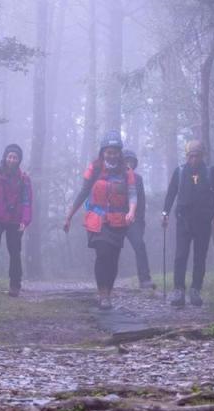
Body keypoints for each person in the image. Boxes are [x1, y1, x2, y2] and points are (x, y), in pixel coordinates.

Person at [63, 130, 138, 310]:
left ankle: (108, 292)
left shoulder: (126, 172)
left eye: (115, 152)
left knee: (112, 258)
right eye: (108, 152)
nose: (111, 155)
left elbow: (133, 195)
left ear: (120, 153)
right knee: (103, 254)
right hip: (96, 221)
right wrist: (69, 216)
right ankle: (103, 294)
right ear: (103, 152)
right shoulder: (94, 168)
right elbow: (83, 193)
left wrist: (132, 212)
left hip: (118, 221)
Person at [161, 140, 214, 307]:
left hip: (203, 222)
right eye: (191, 156)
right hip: (183, 220)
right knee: (180, 255)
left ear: (202, 156)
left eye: (197, 156)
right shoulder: (179, 172)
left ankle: (195, 290)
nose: (194, 160)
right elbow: (170, 194)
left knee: (200, 257)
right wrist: (165, 213)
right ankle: (178, 290)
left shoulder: (210, 172)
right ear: (186, 156)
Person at [0, 143, 32, 296]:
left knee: (15, 251)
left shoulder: (24, 178)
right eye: (10, 156)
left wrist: (25, 220)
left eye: (15, 157)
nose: (12, 160)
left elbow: (27, 201)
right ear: (5, 157)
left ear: (19, 160)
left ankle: (15, 285)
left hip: (15, 220)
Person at [122, 149, 155, 290]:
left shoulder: (138, 179)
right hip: (115, 218)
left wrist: (140, 221)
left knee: (140, 246)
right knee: (111, 249)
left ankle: (145, 279)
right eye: (126, 161)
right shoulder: (114, 177)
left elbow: (141, 201)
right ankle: (106, 282)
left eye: (131, 162)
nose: (129, 164)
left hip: (133, 221)